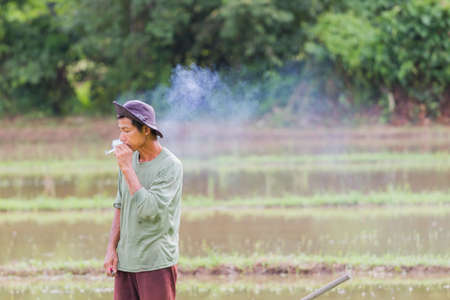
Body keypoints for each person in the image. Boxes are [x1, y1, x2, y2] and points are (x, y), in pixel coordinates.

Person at [104, 100, 183, 300]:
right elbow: (120, 206)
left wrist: (128, 169)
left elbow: (149, 209)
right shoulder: (128, 161)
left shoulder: (170, 166)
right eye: (120, 131)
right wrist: (111, 249)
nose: (122, 138)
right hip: (126, 262)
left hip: (155, 263)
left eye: (127, 131)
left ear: (146, 130)